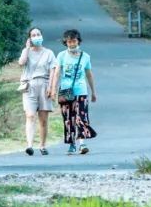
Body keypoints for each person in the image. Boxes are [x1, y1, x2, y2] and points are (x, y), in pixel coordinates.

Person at [49, 28, 97, 155]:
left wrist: (93, 91)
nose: (72, 44)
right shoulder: (61, 56)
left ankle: (82, 144)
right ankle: (71, 144)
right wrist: (53, 89)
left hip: (81, 90)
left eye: (74, 41)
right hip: (66, 91)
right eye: (69, 42)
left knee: (81, 117)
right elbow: (58, 72)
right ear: (66, 42)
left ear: (78, 41)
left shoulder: (85, 57)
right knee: (68, 118)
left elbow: (89, 74)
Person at [17, 26, 57, 155]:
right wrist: (27, 48)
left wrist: (51, 88)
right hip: (29, 85)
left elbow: (53, 70)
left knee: (43, 119)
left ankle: (43, 145)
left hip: (44, 84)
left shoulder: (49, 53)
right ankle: (29, 145)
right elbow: (21, 63)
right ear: (29, 38)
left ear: (42, 36)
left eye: (38, 34)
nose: (36, 37)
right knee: (30, 115)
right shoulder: (26, 51)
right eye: (33, 35)